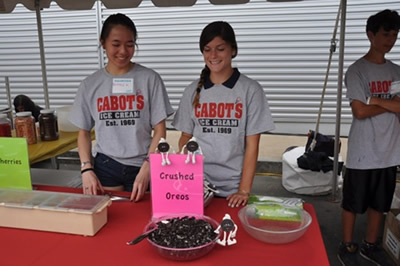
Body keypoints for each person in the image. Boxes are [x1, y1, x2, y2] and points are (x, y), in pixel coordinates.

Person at [69, 13, 173, 202]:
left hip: (143, 163)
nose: (123, 51)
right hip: (107, 164)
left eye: (130, 44)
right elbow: (83, 132)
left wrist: (149, 166)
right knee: (114, 219)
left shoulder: (150, 79)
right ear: (103, 43)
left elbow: (160, 130)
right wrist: (86, 168)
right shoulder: (91, 84)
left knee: (142, 218)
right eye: (116, 44)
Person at [172, 21, 275, 208]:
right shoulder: (192, 91)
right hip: (197, 186)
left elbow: (252, 145)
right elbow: (185, 137)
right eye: (207, 49)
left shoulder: (250, 90)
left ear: (233, 50)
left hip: (232, 189)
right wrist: (185, 157)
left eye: (220, 49)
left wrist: (244, 190)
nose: (213, 55)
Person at [338, 9, 400, 266]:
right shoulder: (357, 71)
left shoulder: (397, 72)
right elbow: (359, 111)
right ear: (370, 35)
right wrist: (390, 103)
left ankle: (370, 245)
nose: (391, 40)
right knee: (353, 203)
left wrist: (374, 99)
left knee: (379, 203)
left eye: (395, 35)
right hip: (362, 152)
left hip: (390, 150)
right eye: (386, 34)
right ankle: (347, 245)